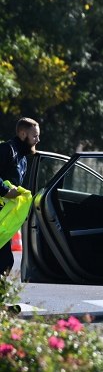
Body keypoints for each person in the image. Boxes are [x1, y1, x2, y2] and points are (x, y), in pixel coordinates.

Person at [0, 118, 38, 275]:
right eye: (34, 136)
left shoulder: (22, 158)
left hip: (5, 218)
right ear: (23, 134)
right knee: (4, 261)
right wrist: (5, 191)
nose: (38, 139)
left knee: (6, 262)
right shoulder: (6, 150)